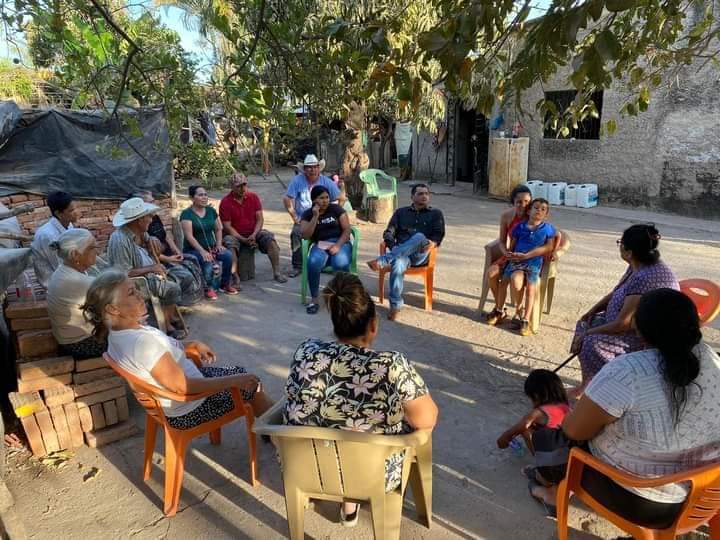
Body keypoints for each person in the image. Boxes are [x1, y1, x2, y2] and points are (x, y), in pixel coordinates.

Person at [529, 288, 720, 528]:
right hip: (704, 499)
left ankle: (551, 492)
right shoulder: (713, 360)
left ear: (640, 330)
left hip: (645, 503)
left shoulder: (628, 371)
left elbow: (574, 430)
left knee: (551, 439)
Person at [284, 273, 438, 527]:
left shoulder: (306, 350)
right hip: (371, 475)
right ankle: (352, 498)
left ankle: (348, 501)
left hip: (306, 467)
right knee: (417, 425)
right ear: (373, 326)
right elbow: (427, 419)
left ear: (335, 322)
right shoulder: (391, 365)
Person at [83, 269, 273, 430]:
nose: (141, 296)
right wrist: (234, 381)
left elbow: (164, 350)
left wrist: (191, 344)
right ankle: (276, 432)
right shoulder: (141, 343)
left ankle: (272, 423)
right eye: (132, 293)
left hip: (181, 397)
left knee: (242, 374)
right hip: (190, 407)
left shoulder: (118, 334)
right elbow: (183, 387)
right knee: (252, 384)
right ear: (113, 309)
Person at [572, 223, 679, 395]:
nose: (619, 246)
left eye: (620, 243)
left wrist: (587, 334)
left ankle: (602, 391)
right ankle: (587, 383)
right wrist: (593, 310)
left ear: (629, 252)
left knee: (590, 342)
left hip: (642, 336)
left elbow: (623, 323)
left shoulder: (645, 277)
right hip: (623, 325)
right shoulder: (638, 263)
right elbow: (618, 291)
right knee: (585, 323)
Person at [366, 184, 445, 321]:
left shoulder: (435, 214)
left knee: (419, 236)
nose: (424, 196)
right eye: (420, 194)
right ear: (412, 197)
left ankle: (383, 260)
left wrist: (432, 244)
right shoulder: (401, 213)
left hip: (421, 254)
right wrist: (394, 248)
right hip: (401, 255)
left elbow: (438, 235)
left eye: (426, 193)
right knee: (398, 263)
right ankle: (395, 306)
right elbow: (388, 233)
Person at [107, 197, 183, 337]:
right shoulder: (120, 240)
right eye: (149, 216)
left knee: (181, 277)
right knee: (173, 288)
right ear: (139, 220)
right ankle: (167, 326)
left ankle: (169, 317)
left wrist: (152, 239)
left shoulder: (140, 231)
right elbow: (123, 273)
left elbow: (149, 241)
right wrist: (152, 268)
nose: (151, 219)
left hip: (150, 274)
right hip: (136, 283)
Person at [487, 198, 556, 336]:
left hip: (533, 263)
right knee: (504, 282)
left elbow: (549, 246)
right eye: (536, 207)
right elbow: (513, 243)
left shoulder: (548, 229)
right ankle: (499, 310)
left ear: (546, 215)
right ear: (529, 210)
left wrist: (529, 255)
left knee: (531, 289)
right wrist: (509, 256)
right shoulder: (520, 227)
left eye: (543, 209)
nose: (539, 210)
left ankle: (525, 319)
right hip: (516, 261)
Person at [496, 369, 570, 488]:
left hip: (553, 468)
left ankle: (541, 471)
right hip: (569, 463)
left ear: (535, 396)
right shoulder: (566, 407)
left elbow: (519, 428)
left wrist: (503, 440)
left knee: (526, 430)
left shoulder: (538, 413)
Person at [134, 191, 204, 307]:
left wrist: (176, 249)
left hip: (166, 256)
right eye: (151, 202)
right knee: (185, 274)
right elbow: (148, 252)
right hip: (158, 261)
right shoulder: (139, 229)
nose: (155, 204)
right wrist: (168, 259)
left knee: (193, 260)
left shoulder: (154, 218)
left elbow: (165, 234)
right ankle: (175, 303)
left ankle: (191, 296)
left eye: (154, 201)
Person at [46, 228, 106, 359]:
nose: (96, 251)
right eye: (92, 248)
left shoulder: (64, 270)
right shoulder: (77, 280)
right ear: (75, 254)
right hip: (80, 344)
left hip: (68, 340)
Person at [283, 154, 345, 278]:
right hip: (305, 218)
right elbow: (287, 198)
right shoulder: (297, 180)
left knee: (334, 231)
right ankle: (297, 266)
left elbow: (341, 198)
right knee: (296, 233)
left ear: (319, 168)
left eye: (315, 167)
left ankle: (328, 263)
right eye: (309, 167)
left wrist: (336, 213)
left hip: (323, 217)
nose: (313, 170)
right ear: (304, 169)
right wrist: (294, 217)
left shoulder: (325, 181)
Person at [219, 172, 287, 283]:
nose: (242, 189)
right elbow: (227, 227)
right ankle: (235, 277)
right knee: (230, 244)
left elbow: (260, 219)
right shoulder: (225, 202)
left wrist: (254, 234)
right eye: (239, 186)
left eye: (244, 185)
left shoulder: (253, 197)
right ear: (232, 187)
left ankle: (277, 272)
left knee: (270, 240)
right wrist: (242, 239)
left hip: (253, 232)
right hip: (235, 235)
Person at [300, 185, 352, 314]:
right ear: (314, 200)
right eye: (321, 198)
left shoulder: (336, 209)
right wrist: (315, 216)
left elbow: (347, 230)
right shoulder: (308, 214)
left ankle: (343, 298)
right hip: (321, 244)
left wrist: (338, 245)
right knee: (312, 262)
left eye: (327, 197)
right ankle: (314, 299)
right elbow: (305, 235)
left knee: (340, 263)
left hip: (340, 242)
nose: (325, 201)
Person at [180, 185, 237, 300]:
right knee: (207, 259)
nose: (204, 197)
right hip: (193, 250)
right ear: (192, 198)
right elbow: (189, 236)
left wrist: (219, 244)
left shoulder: (211, 211)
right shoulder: (186, 214)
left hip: (212, 247)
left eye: (205, 194)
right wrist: (202, 251)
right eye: (200, 195)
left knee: (227, 255)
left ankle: (225, 284)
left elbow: (218, 229)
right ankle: (208, 287)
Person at [485, 185, 532, 315]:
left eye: (527, 201)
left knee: (517, 279)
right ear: (513, 202)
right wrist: (505, 252)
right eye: (519, 202)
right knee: (491, 273)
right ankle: (500, 308)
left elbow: (553, 234)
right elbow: (501, 240)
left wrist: (559, 250)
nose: (523, 205)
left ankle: (520, 313)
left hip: (528, 258)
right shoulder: (507, 216)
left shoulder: (534, 216)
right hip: (510, 255)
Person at [31, 191, 78, 288]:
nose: (76, 213)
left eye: (75, 208)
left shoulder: (69, 225)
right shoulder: (48, 236)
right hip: (53, 282)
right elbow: (59, 267)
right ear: (58, 214)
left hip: (68, 272)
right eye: (71, 211)